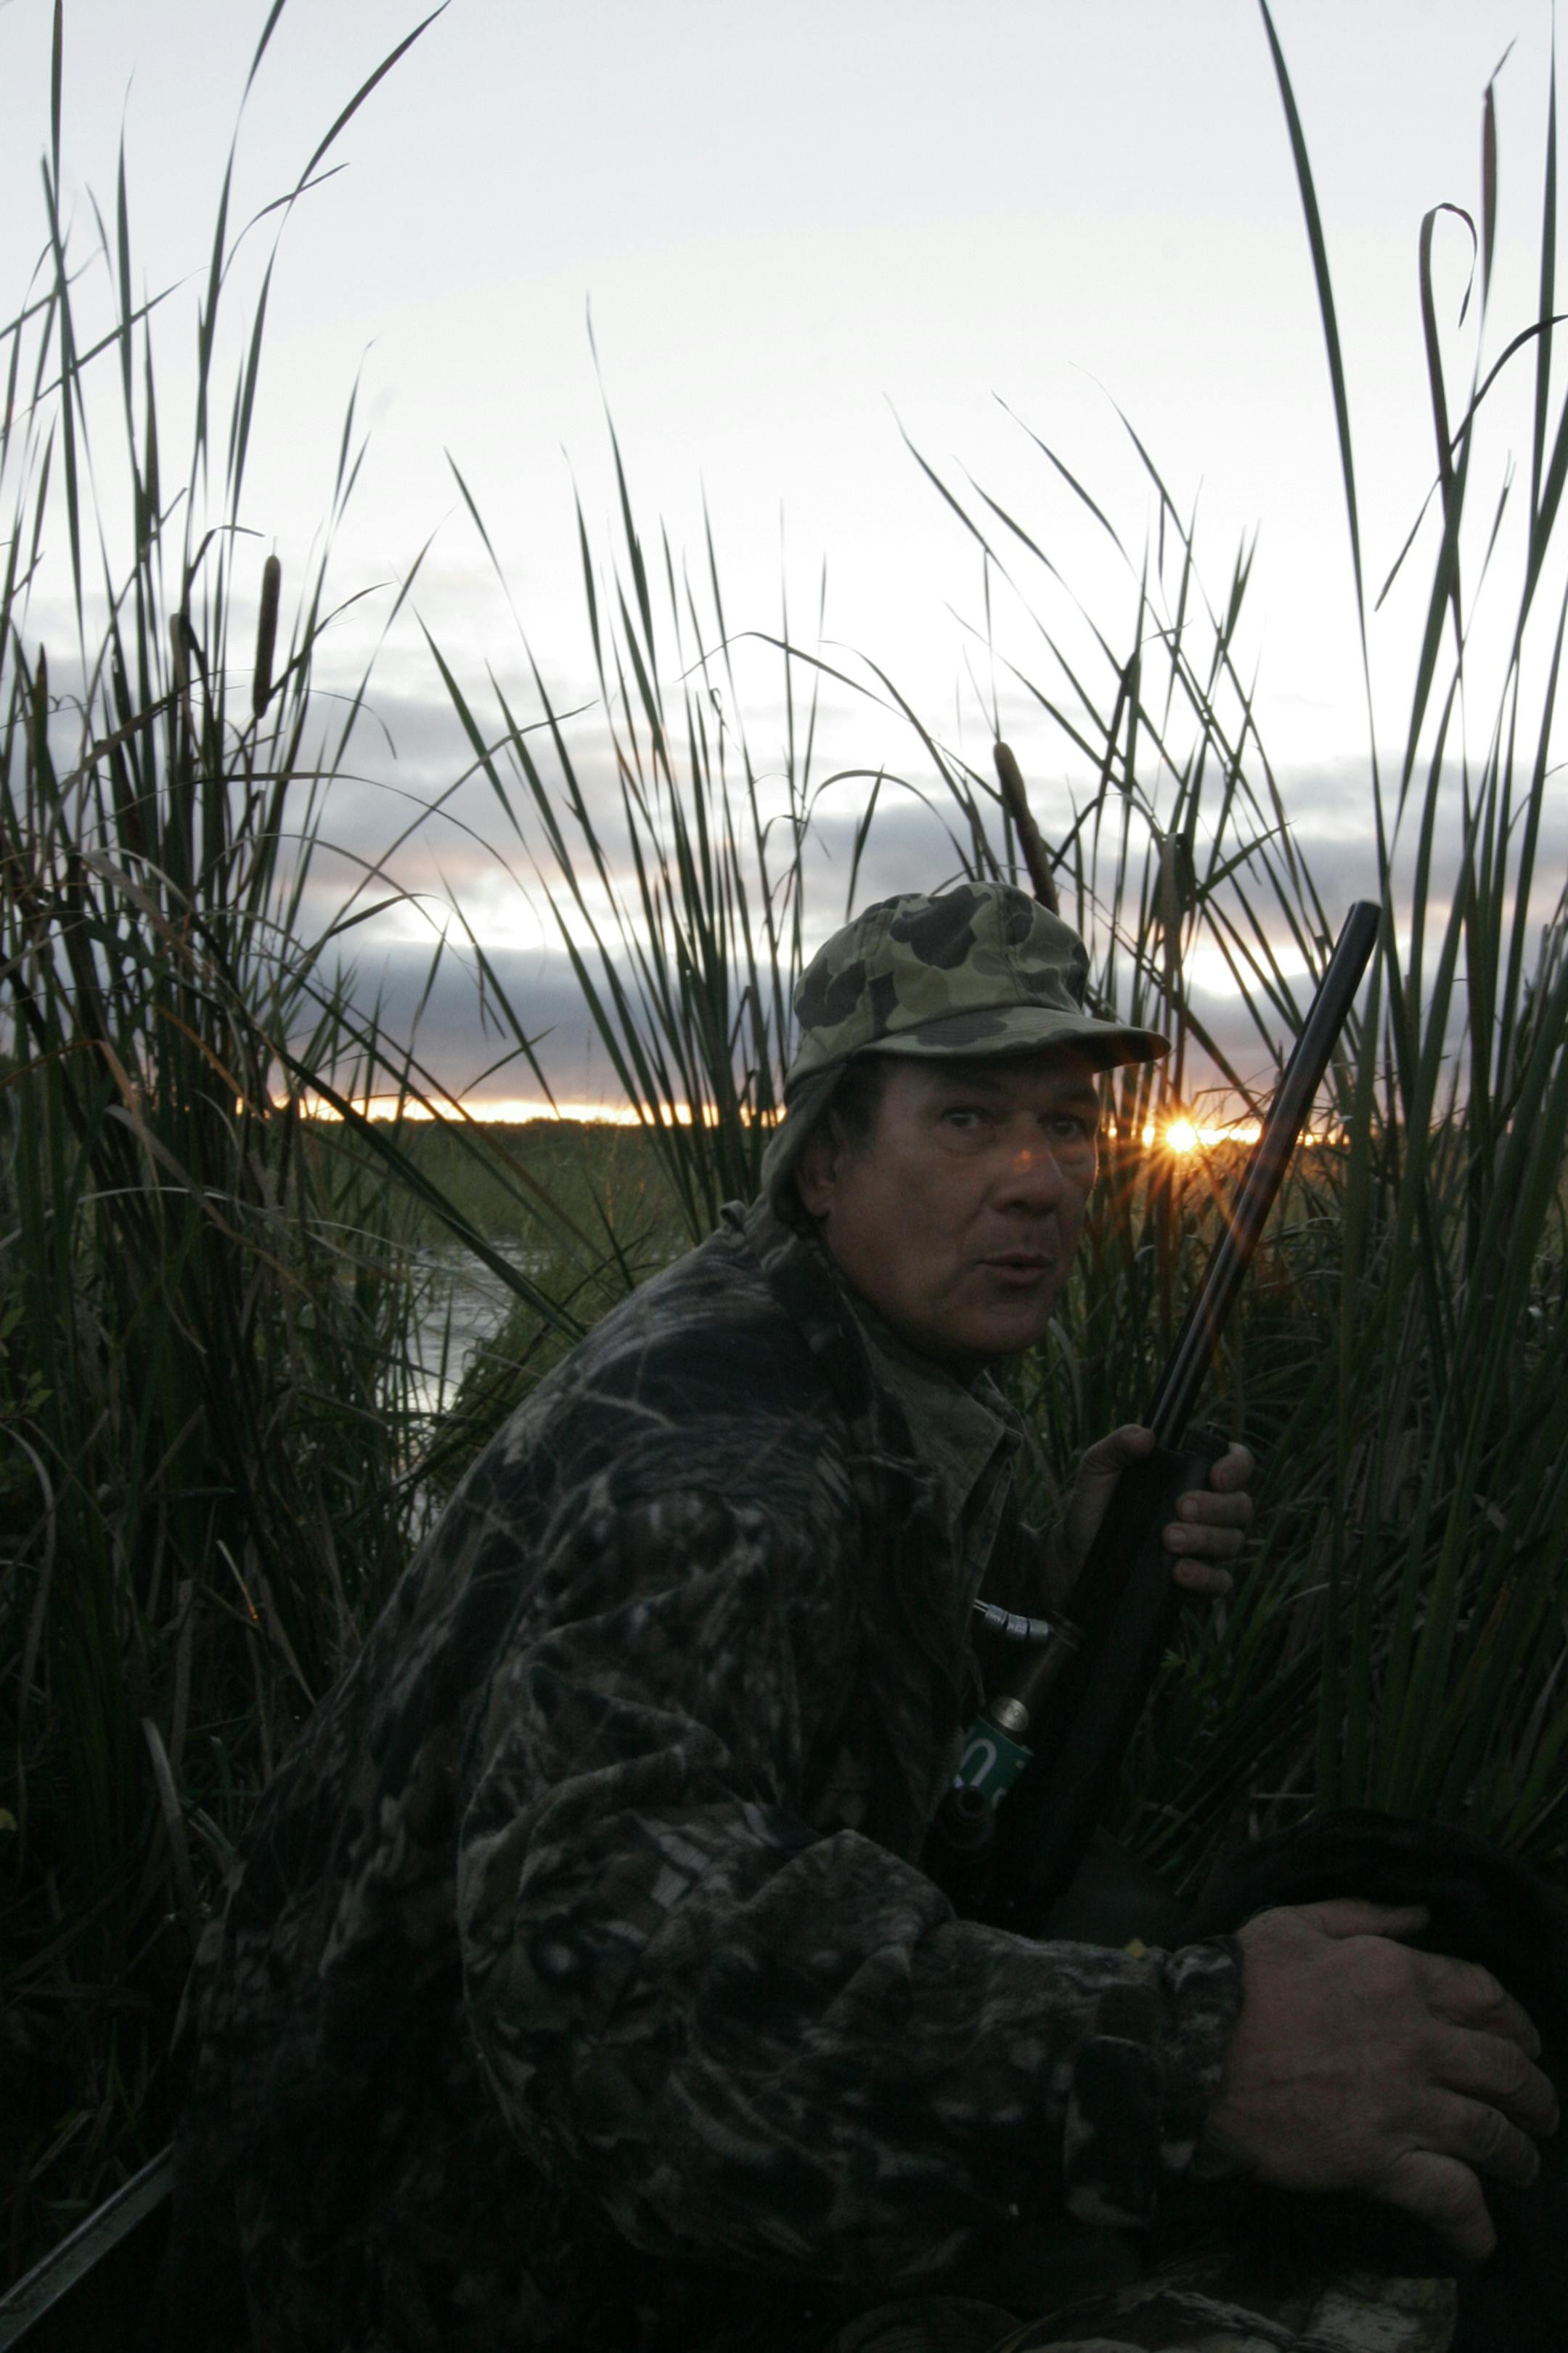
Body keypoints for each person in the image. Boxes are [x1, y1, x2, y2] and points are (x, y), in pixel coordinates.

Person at [160, 882, 1556, 2353]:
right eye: (966, 1120)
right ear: (824, 1159)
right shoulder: (713, 1478)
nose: (1039, 1180)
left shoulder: (834, 1351)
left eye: (1069, 1125)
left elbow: (827, 1758)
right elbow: (624, 2016)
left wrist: (1043, 1599)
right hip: (423, 2270)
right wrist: (1200, 2057)